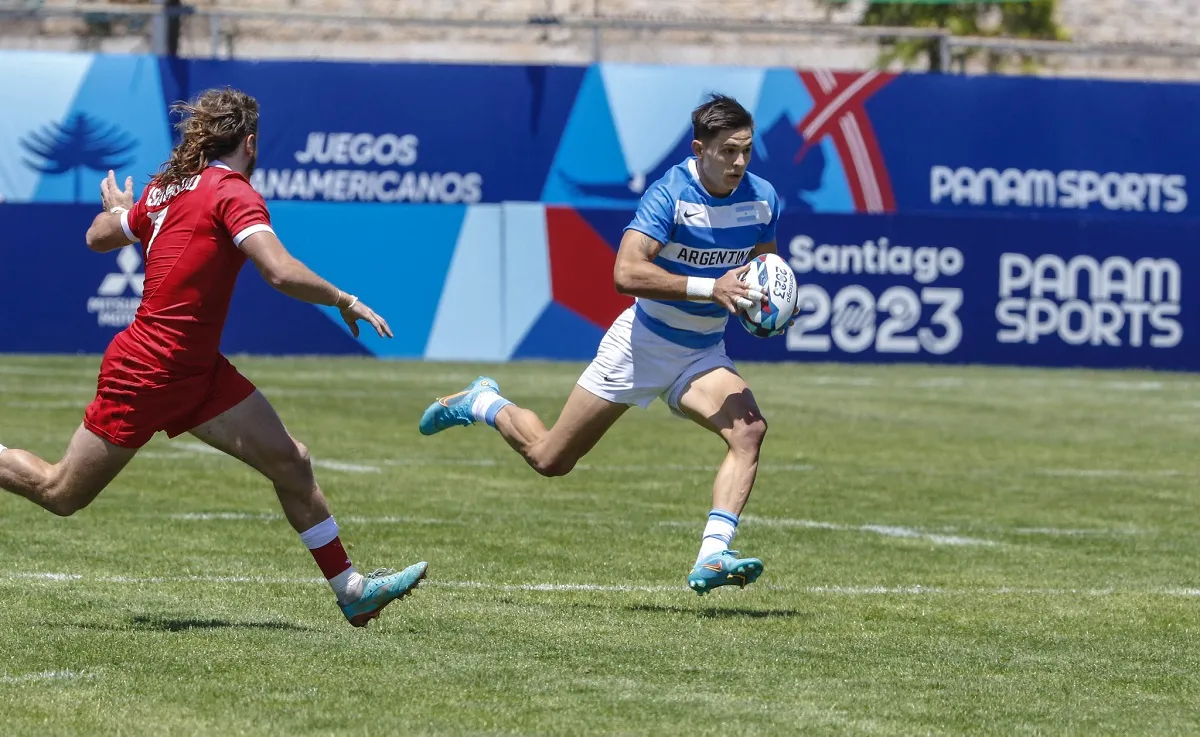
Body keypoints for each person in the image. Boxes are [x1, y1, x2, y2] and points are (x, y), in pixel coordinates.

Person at [0, 87, 425, 627]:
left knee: (291, 460)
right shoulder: (233, 192)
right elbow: (279, 270)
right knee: (61, 492)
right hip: (149, 370)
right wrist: (345, 297)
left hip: (196, 372)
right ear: (249, 141)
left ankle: (353, 590)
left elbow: (97, 238)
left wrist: (122, 213)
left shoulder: (166, 189)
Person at [419, 94, 788, 595]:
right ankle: (482, 401)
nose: (739, 163)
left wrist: (764, 305)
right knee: (551, 459)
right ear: (700, 149)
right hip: (641, 343)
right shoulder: (669, 195)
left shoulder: (763, 198)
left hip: (701, 353)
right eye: (728, 152)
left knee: (749, 432)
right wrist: (710, 287)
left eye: (746, 150)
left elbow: (761, 271)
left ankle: (713, 556)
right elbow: (626, 273)